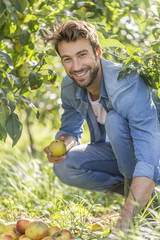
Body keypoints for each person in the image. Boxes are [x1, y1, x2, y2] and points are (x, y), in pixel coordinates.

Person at [44, 19, 160, 233]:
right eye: (67, 59)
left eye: (82, 55)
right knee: (65, 165)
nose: (76, 67)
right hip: (125, 158)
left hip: (153, 155)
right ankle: (142, 198)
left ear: (97, 52)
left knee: (115, 121)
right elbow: (70, 130)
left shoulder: (126, 86)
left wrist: (120, 231)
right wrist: (61, 144)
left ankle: (144, 208)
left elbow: (149, 160)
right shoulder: (70, 86)